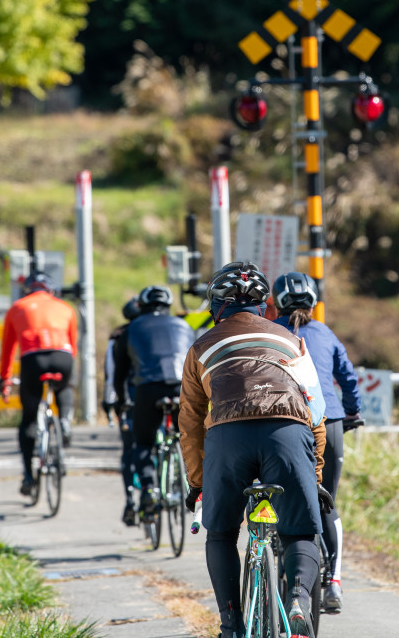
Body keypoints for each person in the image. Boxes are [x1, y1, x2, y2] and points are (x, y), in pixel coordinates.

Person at [180, 260, 334, 638]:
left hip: (228, 437)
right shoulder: (290, 340)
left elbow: (189, 419)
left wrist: (198, 483)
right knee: (300, 532)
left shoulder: (201, 346)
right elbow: (316, 412)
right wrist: (312, 478)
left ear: (215, 305)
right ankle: (298, 598)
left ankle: (231, 624)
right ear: (264, 303)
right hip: (287, 432)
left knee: (220, 533)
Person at [270, 271, 363, 614]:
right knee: (327, 500)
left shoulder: (271, 333)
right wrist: (352, 412)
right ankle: (334, 581)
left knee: (280, 494)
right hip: (330, 421)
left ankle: (283, 565)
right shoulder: (325, 332)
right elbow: (348, 378)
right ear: (315, 301)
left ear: (275, 302)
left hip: (282, 423)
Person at [113, 285, 196, 522]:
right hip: (183, 387)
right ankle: (195, 484)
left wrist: (122, 400)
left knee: (143, 443)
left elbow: (120, 372)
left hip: (148, 388)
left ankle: (149, 488)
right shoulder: (184, 325)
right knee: (191, 437)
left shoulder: (132, 328)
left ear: (141, 305)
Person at [0, 272, 78, 497]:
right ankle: (64, 421)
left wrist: (4, 378)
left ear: (27, 290)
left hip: (33, 359)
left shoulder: (17, 307)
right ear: (51, 291)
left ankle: (28, 475)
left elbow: (8, 349)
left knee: (29, 418)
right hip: (63, 357)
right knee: (64, 386)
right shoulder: (65, 307)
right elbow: (73, 346)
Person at [104, 296, 141, 525]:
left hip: (132, 396)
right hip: (171, 392)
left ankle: (130, 500)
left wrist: (109, 402)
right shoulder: (165, 328)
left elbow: (112, 372)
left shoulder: (119, 335)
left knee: (130, 449)